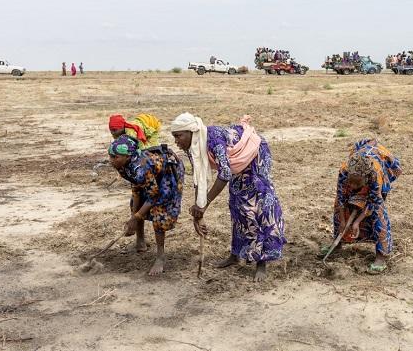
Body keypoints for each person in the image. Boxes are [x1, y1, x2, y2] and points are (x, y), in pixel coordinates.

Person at [171, 113, 286, 282]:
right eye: (174, 137)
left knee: (257, 206)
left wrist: (204, 205)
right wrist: (198, 211)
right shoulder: (193, 145)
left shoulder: (214, 140)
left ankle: (261, 261)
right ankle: (235, 254)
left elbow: (224, 174)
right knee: (237, 204)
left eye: (178, 136)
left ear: (191, 132)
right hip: (235, 163)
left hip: (255, 155)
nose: (176, 141)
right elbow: (199, 177)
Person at [322, 138, 401, 273]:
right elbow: (340, 197)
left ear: (366, 178)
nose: (353, 186)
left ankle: (381, 256)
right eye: (351, 182)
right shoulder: (344, 171)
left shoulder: (375, 174)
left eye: (357, 183)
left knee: (378, 212)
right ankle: (337, 244)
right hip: (359, 172)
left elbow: (373, 202)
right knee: (340, 208)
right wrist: (343, 222)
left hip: (379, 167)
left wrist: (357, 222)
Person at [108, 135, 184, 275]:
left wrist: (136, 218)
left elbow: (153, 195)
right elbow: (136, 188)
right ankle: (140, 241)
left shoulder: (141, 168)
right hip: (150, 176)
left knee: (159, 213)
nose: (111, 160)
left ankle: (160, 256)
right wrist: (134, 215)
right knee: (135, 204)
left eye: (115, 157)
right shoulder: (122, 165)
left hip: (168, 172)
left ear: (128, 156)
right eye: (110, 156)